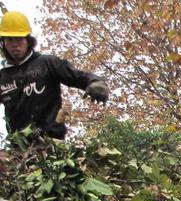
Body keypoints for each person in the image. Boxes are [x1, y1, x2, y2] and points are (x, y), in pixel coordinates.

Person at [0, 11, 109, 140]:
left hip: (51, 143)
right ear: (3, 43)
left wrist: (95, 82)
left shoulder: (47, 63)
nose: (14, 44)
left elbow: (76, 75)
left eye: (19, 39)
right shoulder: (3, 76)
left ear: (28, 40)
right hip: (18, 148)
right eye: (9, 39)